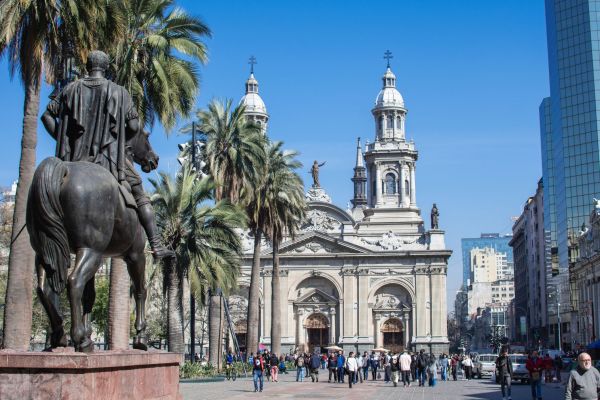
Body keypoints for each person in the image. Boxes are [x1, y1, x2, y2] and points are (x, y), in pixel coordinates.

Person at [41, 50, 174, 261]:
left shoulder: (69, 89)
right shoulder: (119, 92)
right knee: (140, 194)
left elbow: (47, 116)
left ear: (87, 66)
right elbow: (134, 125)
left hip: (72, 159)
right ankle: (157, 246)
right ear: (106, 68)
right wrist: (119, 141)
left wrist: (63, 138)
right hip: (109, 159)